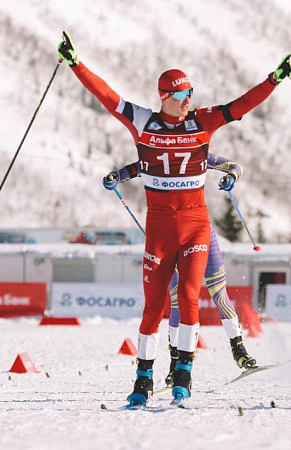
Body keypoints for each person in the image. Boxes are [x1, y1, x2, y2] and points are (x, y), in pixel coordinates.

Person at [58, 32, 291, 406]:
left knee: (190, 297)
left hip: (196, 226)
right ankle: (143, 378)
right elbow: (106, 96)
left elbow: (240, 105)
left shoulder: (203, 121)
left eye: (189, 95)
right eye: (181, 96)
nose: (187, 103)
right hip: (160, 230)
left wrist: (273, 80)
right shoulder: (143, 121)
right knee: (153, 307)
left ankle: (184, 373)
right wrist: (75, 64)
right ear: (164, 96)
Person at [103, 153, 258, 386]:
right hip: (169, 237)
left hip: (201, 233)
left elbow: (235, 165)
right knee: (177, 300)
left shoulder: (195, 152)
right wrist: (117, 176)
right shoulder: (158, 154)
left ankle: (239, 350)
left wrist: (232, 177)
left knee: (219, 293)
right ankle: (175, 364)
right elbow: (138, 167)